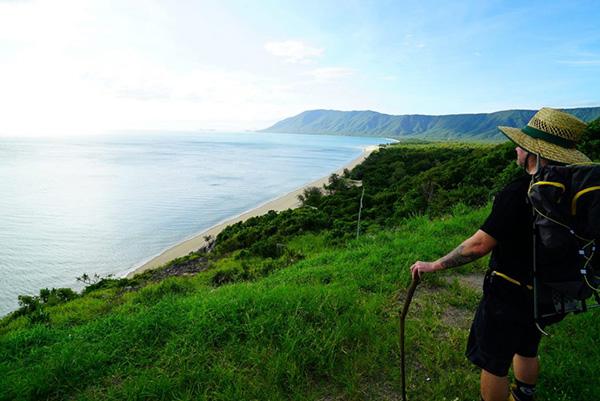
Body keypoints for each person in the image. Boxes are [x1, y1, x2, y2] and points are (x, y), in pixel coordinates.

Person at [409, 108, 591, 401]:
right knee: (528, 345)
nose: (517, 149)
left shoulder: (519, 191)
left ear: (535, 153)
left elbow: (478, 246)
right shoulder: (574, 188)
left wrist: (434, 265)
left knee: (494, 362)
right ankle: (523, 395)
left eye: (522, 144)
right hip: (550, 291)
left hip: (509, 292)